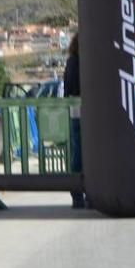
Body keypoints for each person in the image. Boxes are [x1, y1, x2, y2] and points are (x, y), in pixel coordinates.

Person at [62, 33, 87, 209]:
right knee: (88, 153)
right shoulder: (86, 62)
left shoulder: (71, 61)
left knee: (77, 152)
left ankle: (77, 195)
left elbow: (67, 87)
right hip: (87, 110)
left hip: (73, 110)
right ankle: (87, 192)